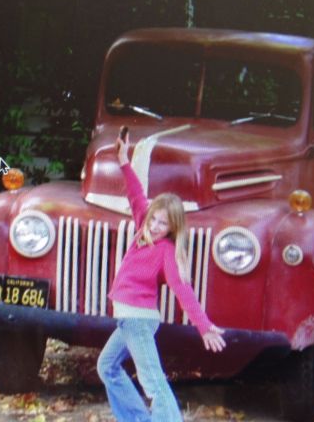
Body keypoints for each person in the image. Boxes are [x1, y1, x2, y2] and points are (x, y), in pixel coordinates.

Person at [97, 131, 226, 422]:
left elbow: (183, 290)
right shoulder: (143, 225)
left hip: (139, 321)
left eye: (162, 224)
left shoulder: (167, 251)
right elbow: (135, 193)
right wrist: (122, 160)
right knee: (107, 367)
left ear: (172, 228)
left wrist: (203, 326)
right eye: (154, 218)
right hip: (127, 319)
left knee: (153, 381)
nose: (154, 226)